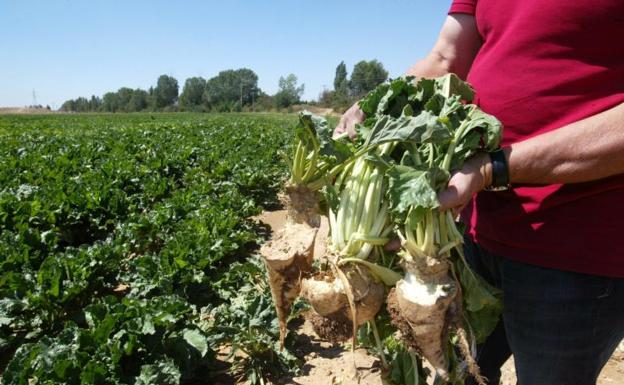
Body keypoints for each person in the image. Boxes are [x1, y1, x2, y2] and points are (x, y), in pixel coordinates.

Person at [335, 1, 624, 384]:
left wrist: (494, 167)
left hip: (575, 249)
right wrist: (376, 107)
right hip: (475, 236)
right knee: (455, 374)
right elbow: (445, 58)